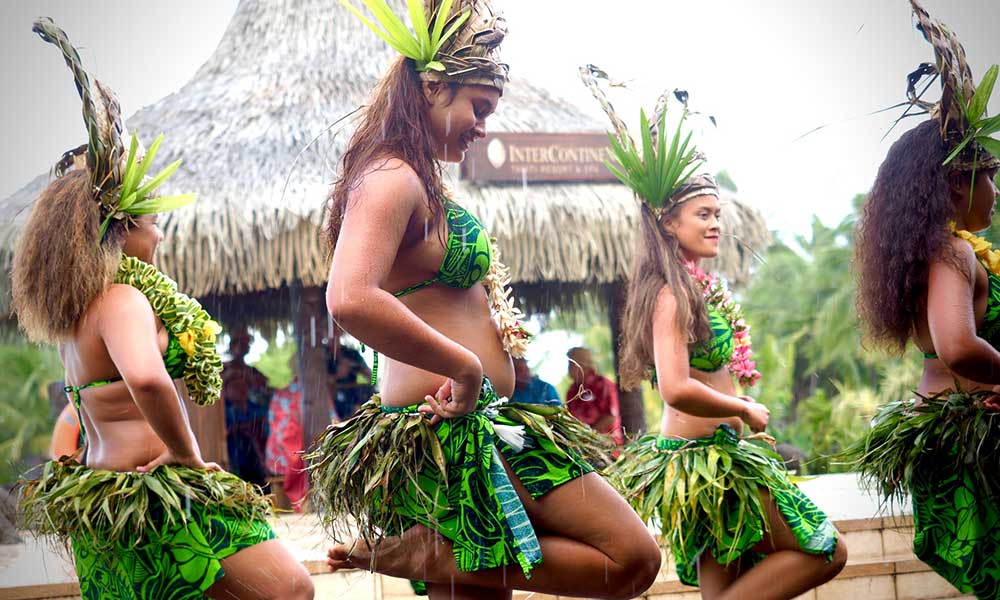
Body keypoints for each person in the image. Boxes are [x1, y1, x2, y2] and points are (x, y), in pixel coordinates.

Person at [307, 2, 660, 599]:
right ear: (433, 87)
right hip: (447, 431)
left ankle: (430, 557)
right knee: (629, 560)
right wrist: (466, 367)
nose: (483, 127)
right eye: (479, 108)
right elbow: (348, 297)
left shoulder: (417, 177)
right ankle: (424, 555)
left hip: (484, 425)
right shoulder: (391, 175)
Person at [12, 19, 313, 600]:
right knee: (292, 589)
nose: (161, 239)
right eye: (155, 225)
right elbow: (148, 379)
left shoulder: (76, 314)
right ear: (121, 231)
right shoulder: (121, 297)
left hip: (108, 495)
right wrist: (187, 455)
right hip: (158, 493)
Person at [581, 67, 845, 600]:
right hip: (704, 462)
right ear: (668, 223)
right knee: (825, 550)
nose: (716, 224)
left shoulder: (691, 287)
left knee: (724, 583)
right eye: (703, 214)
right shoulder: (670, 294)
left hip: (716, 456)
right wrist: (744, 409)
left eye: (717, 214)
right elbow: (676, 387)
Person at [845, 2, 1000, 597]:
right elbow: (959, 347)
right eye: (990, 173)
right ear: (958, 181)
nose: (997, 190)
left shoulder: (935, 251)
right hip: (972, 439)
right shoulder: (950, 253)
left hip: (950, 435)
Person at [222, 330, 271, 486]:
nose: (240, 389)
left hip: (256, 461)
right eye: (235, 386)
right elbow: (224, 431)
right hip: (233, 458)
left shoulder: (256, 408)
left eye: (243, 385)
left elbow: (267, 425)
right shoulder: (223, 411)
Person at [566, 347, 624, 444]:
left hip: (607, 447)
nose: (568, 369)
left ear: (581, 365)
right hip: (582, 449)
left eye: (571, 364)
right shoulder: (572, 391)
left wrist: (587, 436)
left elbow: (610, 417)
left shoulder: (603, 385)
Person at [328, 344, 373, 420]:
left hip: (354, 398)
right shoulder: (323, 354)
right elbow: (325, 384)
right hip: (334, 400)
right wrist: (339, 375)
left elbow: (371, 378)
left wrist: (358, 369)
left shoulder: (351, 353)